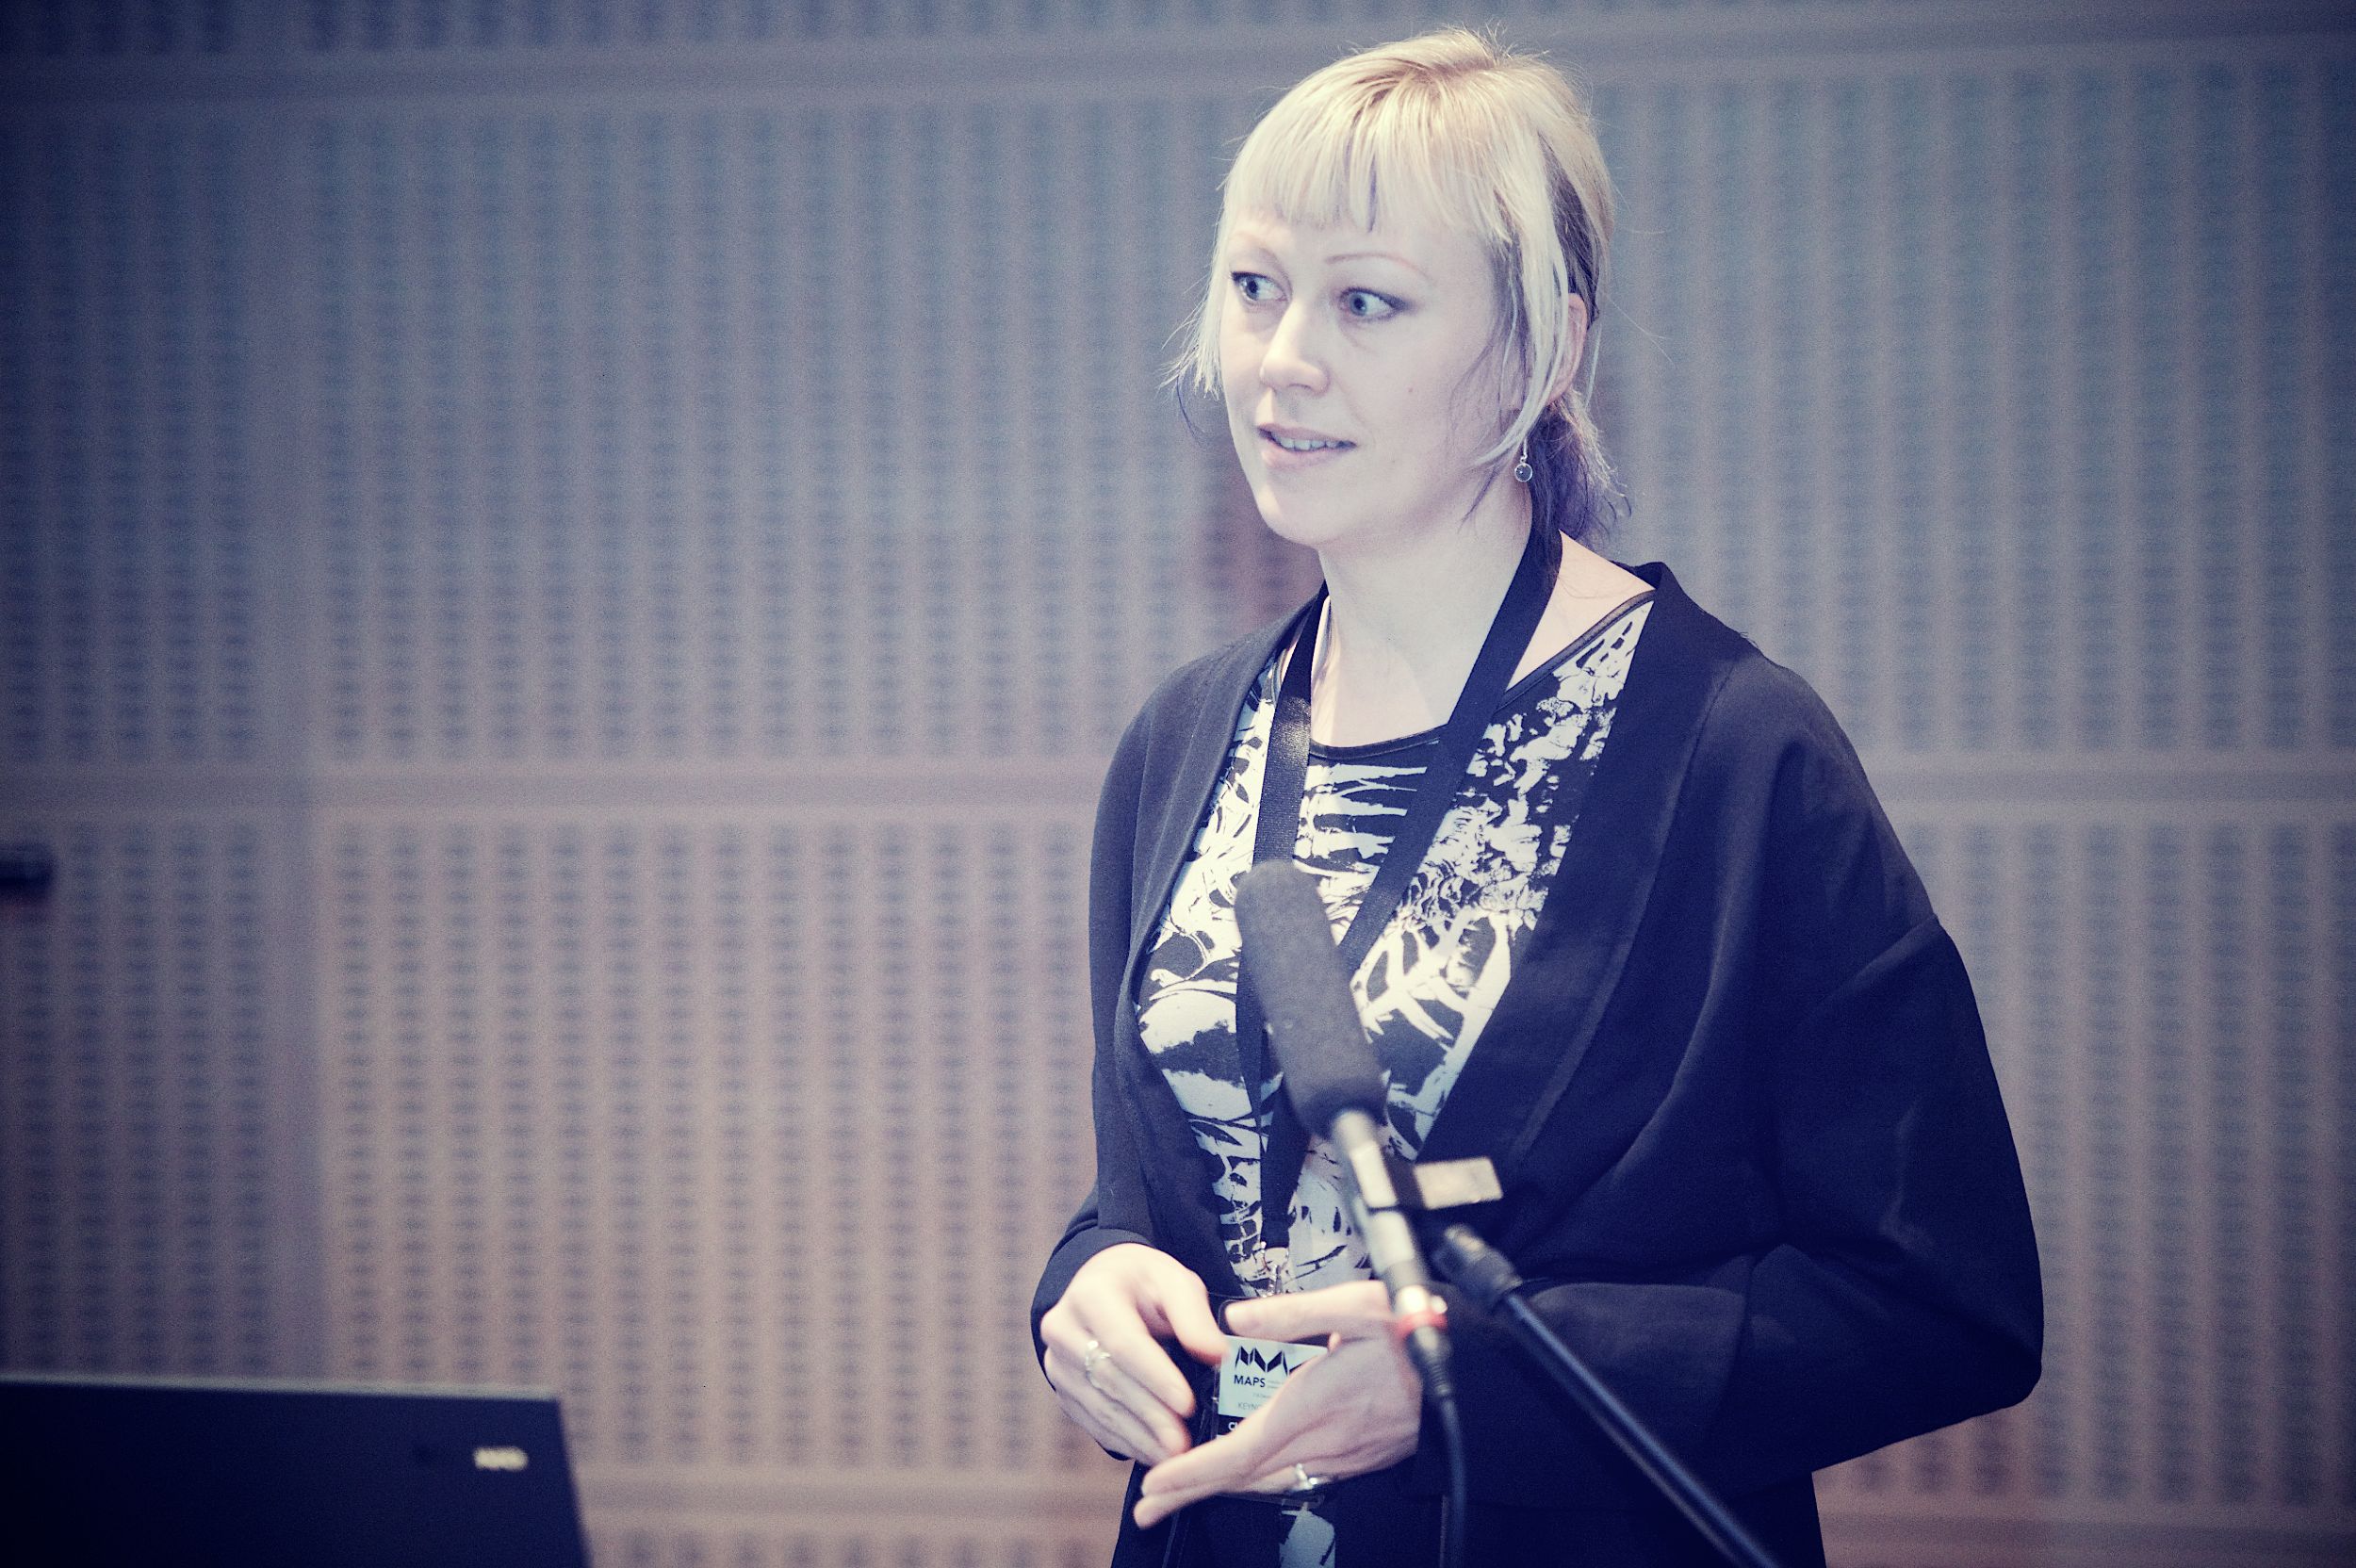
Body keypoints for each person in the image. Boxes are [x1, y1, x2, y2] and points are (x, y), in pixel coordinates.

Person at [1031, 27, 2040, 1568]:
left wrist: (1472, 1390)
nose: (1282, 357)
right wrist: (1088, 1285)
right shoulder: (1181, 741)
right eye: (1254, 285)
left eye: (1366, 300)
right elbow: (1164, 1199)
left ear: (1544, 350)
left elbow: (1937, 1302)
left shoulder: (1734, 751)